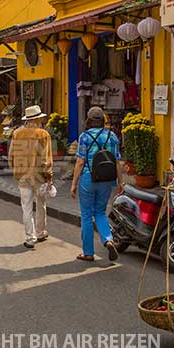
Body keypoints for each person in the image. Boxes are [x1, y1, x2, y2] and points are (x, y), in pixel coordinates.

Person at [70, 106, 125, 262]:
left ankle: (88, 253)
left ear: (88, 120)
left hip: (88, 178)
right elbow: (117, 162)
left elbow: (80, 162)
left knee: (87, 215)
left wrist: (74, 184)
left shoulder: (85, 137)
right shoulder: (113, 136)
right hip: (107, 179)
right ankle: (108, 240)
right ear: (103, 120)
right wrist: (121, 182)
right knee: (100, 212)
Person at [9, 105, 54, 249]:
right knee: (41, 205)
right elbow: (46, 159)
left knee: (26, 208)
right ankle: (40, 233)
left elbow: (11, 156)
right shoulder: (43, 134)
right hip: (39, 176)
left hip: (22, 176)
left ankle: (30, 238)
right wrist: (49, 177)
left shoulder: (16, 133)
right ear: (37, 119)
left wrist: (16, 170)